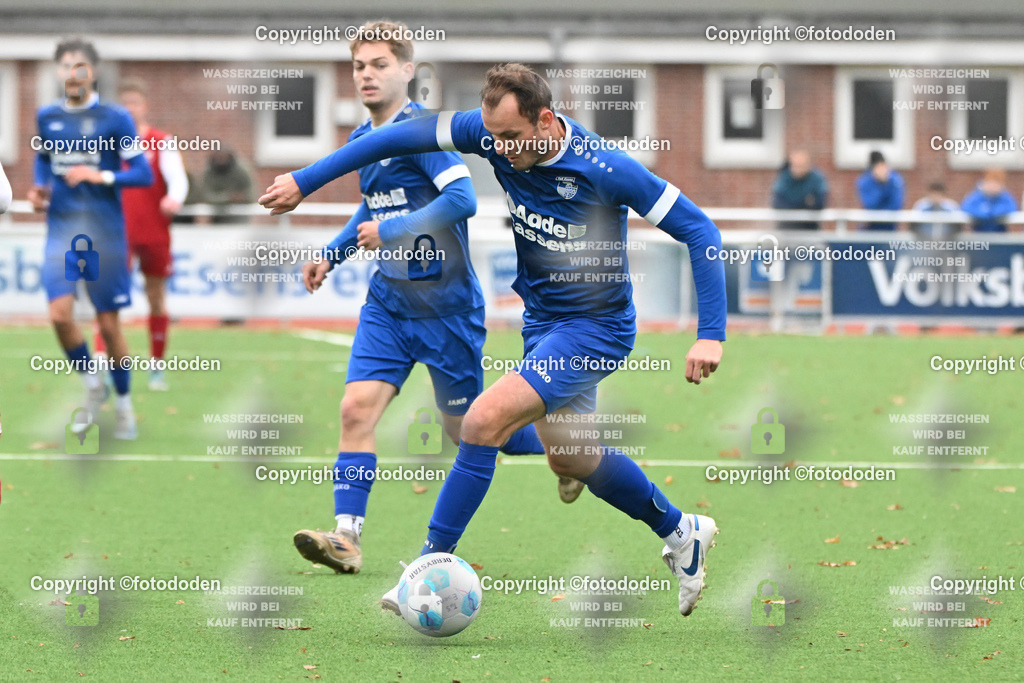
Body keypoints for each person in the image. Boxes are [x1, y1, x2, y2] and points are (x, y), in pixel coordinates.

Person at [262, 63, 727, 617]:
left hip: (595, 329)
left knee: (480, 423)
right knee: (571, 459)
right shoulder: (489, 133)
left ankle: (423, 568)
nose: (500, 149)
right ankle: (682, 531)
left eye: (511, 137)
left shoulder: (607, 167)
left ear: (547, 120)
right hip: (543, 322)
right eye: (493, 137)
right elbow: (391, 137)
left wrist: (710, 336)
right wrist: (305, 181)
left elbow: (700, 229)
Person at [290, 24, 546, 576]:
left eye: (380, 64)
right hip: (388, 306)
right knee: (354, 409)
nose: (367, 74)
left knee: (467, 430)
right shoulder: (365, 139)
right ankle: (346, 536)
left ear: (408, 70)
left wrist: (399, 228)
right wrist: (332, 255)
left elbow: (462, 199)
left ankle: (561, 450)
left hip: (446, 310)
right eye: (359, 65)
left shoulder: (425, 135)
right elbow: (370, 207)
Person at [28, 37, 153, 439]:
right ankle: (91, 383)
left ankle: (124, 404)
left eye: (79, 65)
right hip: (61, 232)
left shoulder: (115, 118)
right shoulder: (47, 117)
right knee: (59, 316)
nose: (71, 73)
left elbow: (142, 173)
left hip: (105, 235)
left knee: (108, 324)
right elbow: (44, 159)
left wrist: (101, 174)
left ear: (92, 72)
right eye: (64, 66)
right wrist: (38, 187)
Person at [93, 78, 188, 391]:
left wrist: (175, 197)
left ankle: (157, 366)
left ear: (144, 106)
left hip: (153, 232)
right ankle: (102, 361)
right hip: (117, 233)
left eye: (135, 102)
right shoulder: (108, 143)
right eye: (125, 103)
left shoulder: (161, 142)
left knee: (156, 298)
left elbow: (178, 180)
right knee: (108, 298)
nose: (129, 109)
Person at [771, 149, 828, 230]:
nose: (798, 169)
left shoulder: (816, 178)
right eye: (795, 165)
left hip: (810, 227)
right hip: (786, 227)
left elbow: (820, 203)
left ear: (808, 165)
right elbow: (777, 203)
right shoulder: (784, 177)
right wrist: (805, 203)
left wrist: (793, 204)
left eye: (801, 165)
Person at [201, 149, 253, 224]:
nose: (221, 161)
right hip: (217, 219)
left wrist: (242, 198)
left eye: (223, 158)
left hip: (239, 219)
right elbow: (206, 196)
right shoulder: (209, 173)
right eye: (218, 158)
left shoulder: (242, 171)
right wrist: (229, 198)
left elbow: (251, 195)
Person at [856, 150, 904, 231]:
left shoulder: (895, 180)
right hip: (869, 229)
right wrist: (880, 184)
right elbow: (870, 205)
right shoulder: (865, 181)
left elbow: (896, 205)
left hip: (890, 228)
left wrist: (885, 183)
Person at [961, 168, 1018, 233]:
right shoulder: (976, 196)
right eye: (991, 181)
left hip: (1000, 236)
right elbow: (966, 208)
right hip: (978, 235)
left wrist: (993, 213)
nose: (993, 185)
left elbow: (1011, 209)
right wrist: (985, 214)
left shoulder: (1005, 197)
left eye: (997, 182)